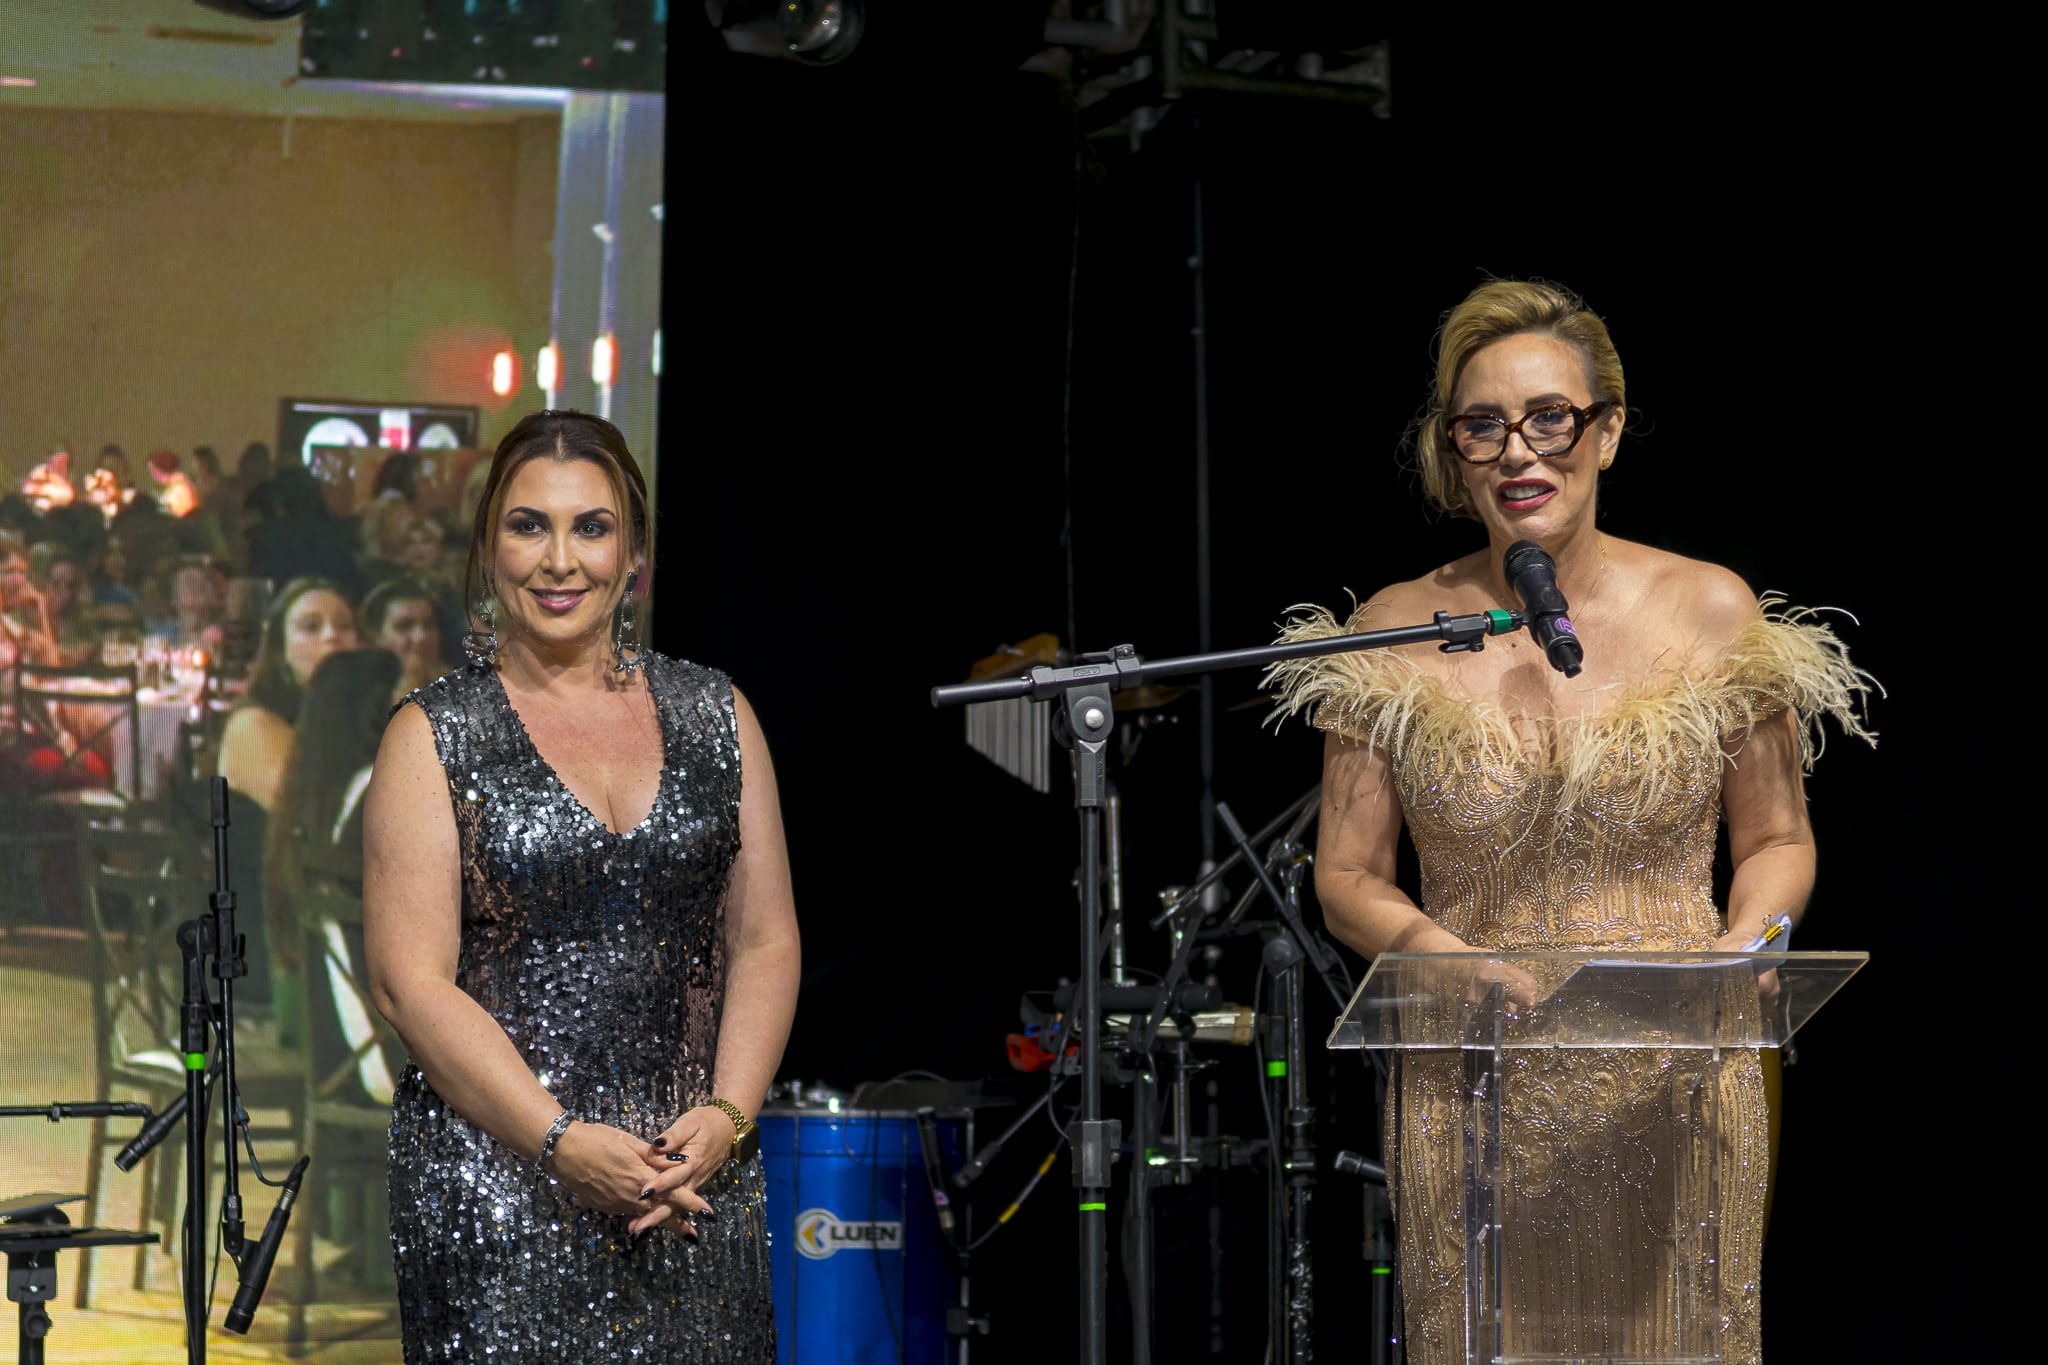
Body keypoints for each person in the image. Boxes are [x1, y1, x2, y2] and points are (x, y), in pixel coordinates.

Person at [1267, 280, 1873, 1365]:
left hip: (1678, 1080)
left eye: (1549, 417)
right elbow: (1347, 876)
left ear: (1608, 430)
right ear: (1453, 451)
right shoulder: (1391, 628)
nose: (1518, 451)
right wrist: (1443, 956)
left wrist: (1750, 945)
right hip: (1476, 1084)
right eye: (1483, 425)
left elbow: (1778, 841)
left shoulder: (1711, 609)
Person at [364, 410, 798, 1362]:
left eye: (591, 527)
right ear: (489, 547)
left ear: (633, 551)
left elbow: (765, 939)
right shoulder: (432, 734)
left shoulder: (718, 714)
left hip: (692, 1186)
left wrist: (728, 1116)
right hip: (500, 1192)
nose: (559, 560)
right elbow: (410, 983)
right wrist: (558, 1140)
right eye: (529, 525)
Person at [216, 576, 359, 1010]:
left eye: (344, 626)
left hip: (327, 917)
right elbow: (324, 827)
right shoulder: (254, 724)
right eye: (311, 627)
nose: (332, 636)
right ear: (280, 649)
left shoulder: (345, 723)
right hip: (270, 949)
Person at [360, 577, 447, 700]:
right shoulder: (355, 699)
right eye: (404, 626)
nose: (421, 637)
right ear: (375, 639)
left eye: (429, 625)